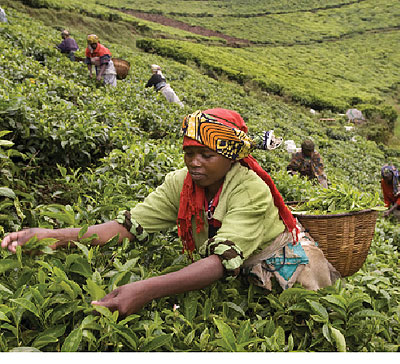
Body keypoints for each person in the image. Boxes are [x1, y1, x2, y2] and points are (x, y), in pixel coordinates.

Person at [1, 108, 338, 317]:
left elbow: (220, 263)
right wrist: (52, 236)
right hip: (238, 265)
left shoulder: (250, 189)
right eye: (189, 152)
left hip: (284, 266)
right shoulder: (182, 183)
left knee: (301, 319)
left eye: (206, 154)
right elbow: (125, 228)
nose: (194, 162)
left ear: (231, 156)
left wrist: (144, 289)